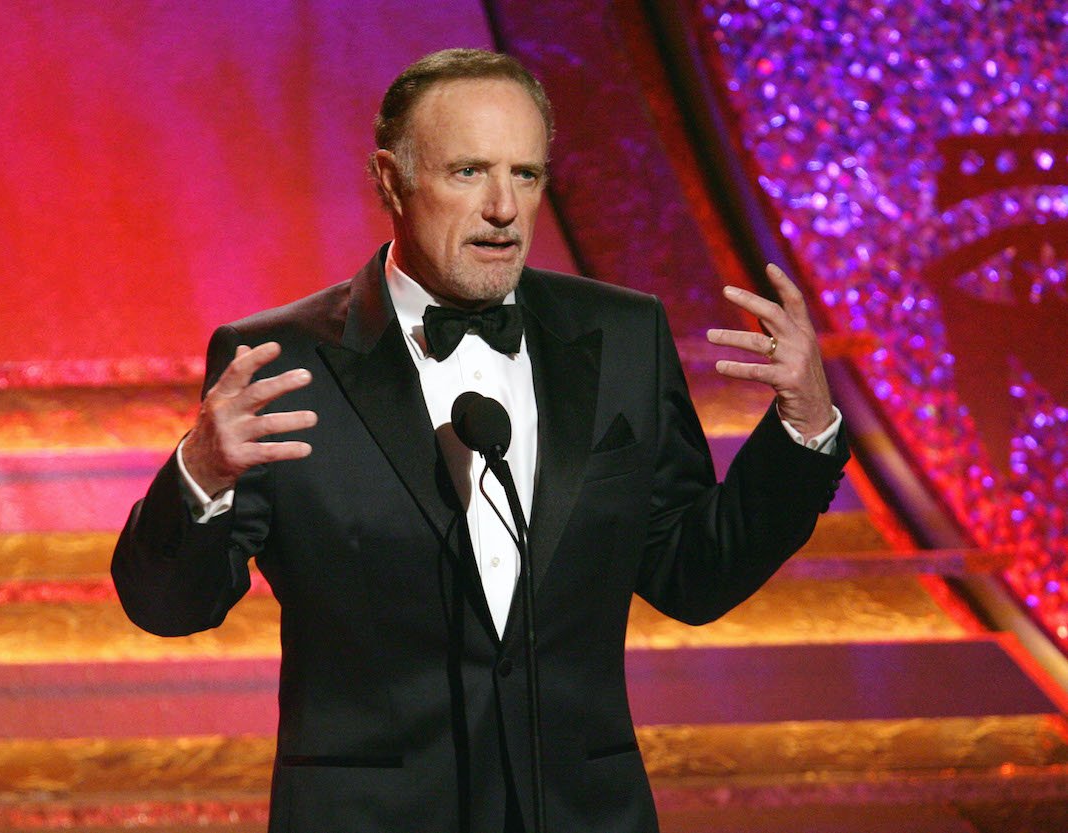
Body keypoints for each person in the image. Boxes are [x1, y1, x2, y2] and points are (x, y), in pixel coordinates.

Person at [112, 48, 846, 833]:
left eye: (525, 175)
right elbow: (170, 606)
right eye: (469, 172)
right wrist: (201, 473)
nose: (504, 207)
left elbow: (692, 574)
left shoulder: (624, 335)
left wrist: (804, 425)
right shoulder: (284, 362)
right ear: (391, 179)